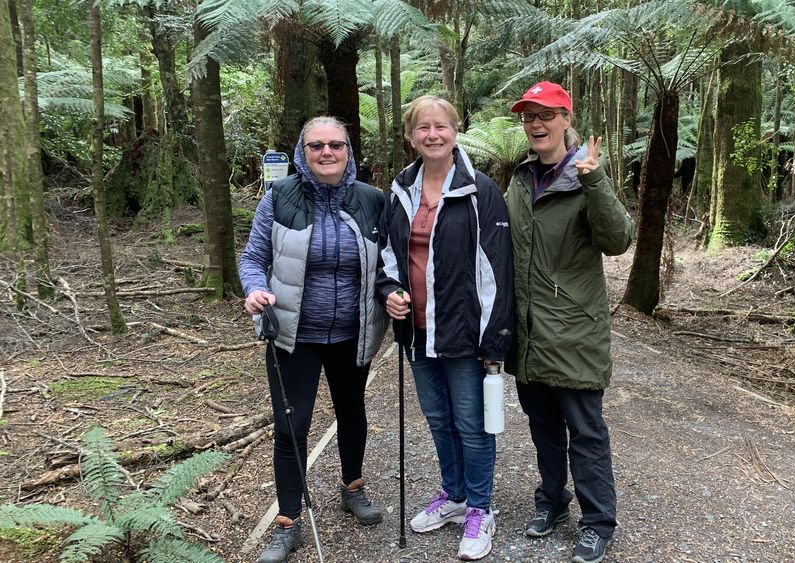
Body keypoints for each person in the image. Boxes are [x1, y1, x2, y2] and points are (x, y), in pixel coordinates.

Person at [239, 116, 388, 563]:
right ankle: (288, 523)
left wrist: (394, 293)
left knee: (351, 411)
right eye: (316, 146)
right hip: (292, 335)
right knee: (291, 424)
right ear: (303, 153)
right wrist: (254, 290)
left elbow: (389, 265)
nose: (327, 153)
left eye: (336, 146)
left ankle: (353, 488)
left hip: (352, 333)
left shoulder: (372, 201)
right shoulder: (279, 197)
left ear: (349, 152)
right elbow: (253, 257)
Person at [376, 95, 513, 561]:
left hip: (463, 332)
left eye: (441, 126)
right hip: (417, 332)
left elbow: (496, 267)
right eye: (422, 128)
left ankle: (480, 509)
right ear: (411, 136)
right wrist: (390, 291)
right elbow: (390, 255)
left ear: (456, 130)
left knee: (472, 426)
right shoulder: (401, 188)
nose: (432, 135)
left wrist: (493, 339)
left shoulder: (480, 190)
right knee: (438, 421)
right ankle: (454, 497)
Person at [504, 81, 635, 563]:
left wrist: (595, 182)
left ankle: (598, 520)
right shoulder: (518, 181)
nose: (536, 124)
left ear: (564, 118)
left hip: (574, 331)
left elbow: (618, 239)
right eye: (528, 116)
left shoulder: (586, 174)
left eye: (545, 115)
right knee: (542, 426)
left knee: (585, 431)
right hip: (529, 332)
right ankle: (553, 500)